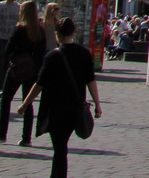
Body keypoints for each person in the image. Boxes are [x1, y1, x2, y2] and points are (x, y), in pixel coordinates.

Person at [19, 18, 101, 178]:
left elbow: (39, 84)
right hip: (75, 107)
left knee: (60, 147)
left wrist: (24, 104)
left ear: (57, 34)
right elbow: (90, 80)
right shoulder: (83, 53)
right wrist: (97, 104)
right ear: (73, 33)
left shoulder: (52, 56)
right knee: (61, 147)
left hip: (55, 108)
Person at [0, 1, 46, 146]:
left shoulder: (20, 29)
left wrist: (10, 62)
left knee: (6, 100)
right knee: (27, 102)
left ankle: (1, 134)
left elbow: (9, 49)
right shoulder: (40, 30)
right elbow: (41, 53)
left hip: (17, 68)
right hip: (32, 70)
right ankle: (26, 138)